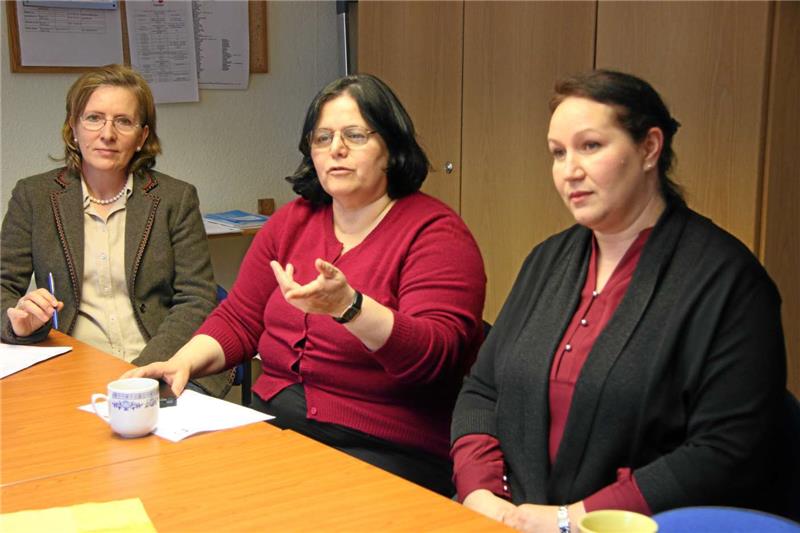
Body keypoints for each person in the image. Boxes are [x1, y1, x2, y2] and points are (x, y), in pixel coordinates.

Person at [450, 70, 788, 531]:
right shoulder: (547, 260)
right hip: (510, 517)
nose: (570, 170)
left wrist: (571, 520)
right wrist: (481, 493)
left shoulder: (728, 280)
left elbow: (726, 450)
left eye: (590, 146)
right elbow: (482, 390)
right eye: (557, 153)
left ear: (649, 148)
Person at [126, 73, 486, 495]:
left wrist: (351, 308)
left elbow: (436, 356)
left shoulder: (436, 234)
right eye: (323, 138)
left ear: (391, 147)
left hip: (386, 448)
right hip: (278, 430)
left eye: (355, 135)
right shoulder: (292, 221)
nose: (336, 149)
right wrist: (183, 362)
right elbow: (241, 318)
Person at [1, 64, 231, 398]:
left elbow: (196, 299)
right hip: (69, 370)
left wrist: (139, 373)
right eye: (94, 118)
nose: (107, 134)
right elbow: (4, 287)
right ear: (73, 128)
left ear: (142, 137)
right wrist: (18, 323)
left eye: (123, 121)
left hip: (161, 364)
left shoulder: (175, 198)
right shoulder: (34, 196)